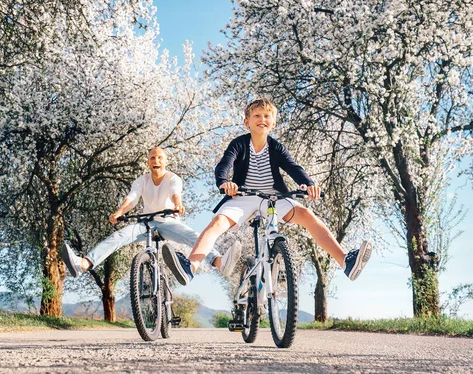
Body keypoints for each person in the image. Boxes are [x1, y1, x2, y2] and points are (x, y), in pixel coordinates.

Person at [162, 98, 372, 286]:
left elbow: (293, 167)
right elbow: (225, 164)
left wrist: (308, 184)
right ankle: (190, 267)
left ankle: (345, 261)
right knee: (217, 224)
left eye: (267, 116)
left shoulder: (276, 147)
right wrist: (225, 182)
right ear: (247, 122)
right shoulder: (239, 144)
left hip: (272, 197)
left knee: (307, 216)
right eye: (256, 116)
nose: (262, 119)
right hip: (242, 196)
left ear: (272, 122)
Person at [60, 146, 242, 280]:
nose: (156, 161)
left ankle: (219, 262)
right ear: (148, 162)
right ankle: (82, 264)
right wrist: (119, 212)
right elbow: (132, 198)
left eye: (160, 158)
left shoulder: (173, 178)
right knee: (118, 236)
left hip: (167, 221)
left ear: (165, 161)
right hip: (145, 223)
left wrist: (178, 205)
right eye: (152, 158)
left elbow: (175, 193)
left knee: (193, 237)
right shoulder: (142, 180)